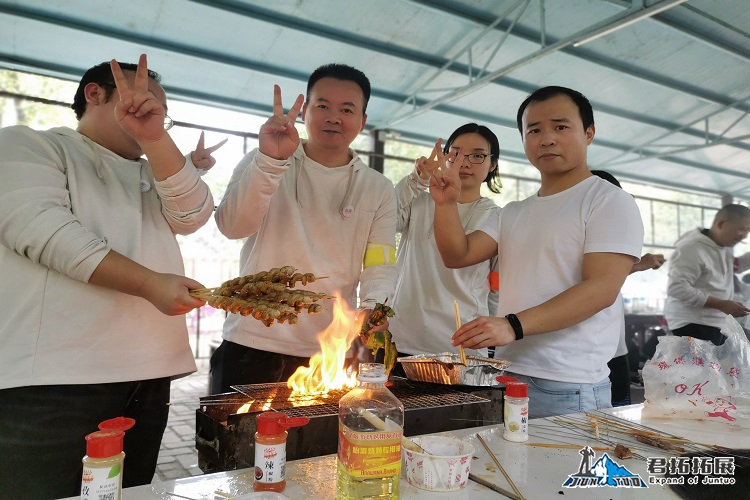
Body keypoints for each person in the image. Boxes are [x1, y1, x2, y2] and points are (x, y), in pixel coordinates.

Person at [0, 55, 216, 499]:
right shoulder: (31, 144)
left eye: (159, 110)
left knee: (131, 491)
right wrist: (150, 283)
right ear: (94, 94)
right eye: (142, 98)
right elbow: (40, 228)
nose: (148, 110)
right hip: (53, 384)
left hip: (148, 378)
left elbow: (195, 213)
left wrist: (155, 140)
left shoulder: (155, 171)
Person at [429, 86, 644, 418]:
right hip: (509, 374)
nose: (546, 139)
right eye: (535, 130)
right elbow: (457, 255)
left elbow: (601, 288)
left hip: (570, 384)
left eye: (560, 127)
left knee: (570, 471)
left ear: (589, 133)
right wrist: (445, 204)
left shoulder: (608, 200)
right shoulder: (513, 211)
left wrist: (512, 325)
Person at [211, 64, 397, 392]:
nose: (333, 116)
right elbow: (231, 226)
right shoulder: (266, 157)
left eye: (347, 109)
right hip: (252, 339)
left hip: (328, 349)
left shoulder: (378, 188)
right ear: (305, 111)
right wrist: (270, 161)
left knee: (316, 445)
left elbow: (380, 259)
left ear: (363, 121)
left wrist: (373, 308)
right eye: (322, 106)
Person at [389, 123, 501, 363]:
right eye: (455, 153)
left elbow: (498, 289)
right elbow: (384, 218)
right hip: (401, 338)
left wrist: (491, 336)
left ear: (492, 165)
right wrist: (416, 179)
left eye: (478, 155)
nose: (464, 162)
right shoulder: (420, 202)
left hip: (460, 346)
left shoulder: (496, 216)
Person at [590, 170, 666, 405]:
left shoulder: (610, 226)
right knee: (601, 414)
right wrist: (640, 264)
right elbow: (594, 275)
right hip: (591, 348)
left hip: (613, 345)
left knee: (617, 407)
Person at [664, 203, 750, 346]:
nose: (745, 235)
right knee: (699, 368)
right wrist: (720, 304)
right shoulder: (692, 248)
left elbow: (734, 266)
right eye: (743, 229)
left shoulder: (720, 247)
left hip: (713, 323)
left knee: (714, 367)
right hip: (694, 324)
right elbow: (677, 287)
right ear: (721, 224)